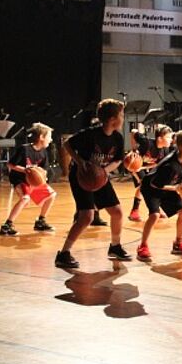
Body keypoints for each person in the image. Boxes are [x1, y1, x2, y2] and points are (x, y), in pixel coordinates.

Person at [55, 99, 130, 269]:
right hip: (82, 176)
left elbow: (118, 160)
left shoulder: (117, 138)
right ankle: (64, 253)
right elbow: (67, 144)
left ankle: (115, 246)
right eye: (121, 115)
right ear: (112, 119)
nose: (123, 118)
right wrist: (80, 162)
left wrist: (105, 171)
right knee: (86, 216)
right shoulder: (90, 134)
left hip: (101, 175)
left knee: (117, 212)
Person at [136, 130, 182, 261]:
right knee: (154, 215)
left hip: (166, 185)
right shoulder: (170, 166)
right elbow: (155, 185)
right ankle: (142, 246)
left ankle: (178, 243)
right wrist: (176, 187)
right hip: (151, 187)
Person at [0, 123, 57, 236]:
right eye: (49, 136)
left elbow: (44, 169)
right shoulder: (24, 149)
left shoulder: (44, 152)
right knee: (25, 199)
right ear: (41, 137)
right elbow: (10, 165)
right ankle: (7, 225)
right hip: (20, 179)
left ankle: (41, 221)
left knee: (52, 195)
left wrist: (42, 175)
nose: (51, 139)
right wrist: (26, 170)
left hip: (34, 181)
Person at [128, 125, 173, 222]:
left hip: (144, 166)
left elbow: (156, 164)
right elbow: (133, 131)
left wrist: (143, 167)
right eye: (168, 137)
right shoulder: (147, 142)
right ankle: (134, 211)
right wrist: (134, 149)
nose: (171, 140)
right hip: (133, 165)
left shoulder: (165, 150)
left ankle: (156, 209)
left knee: (155, 185)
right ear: (160, 138)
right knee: (143, 185)